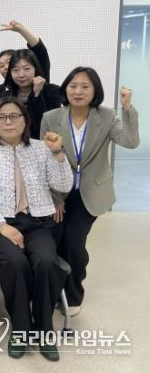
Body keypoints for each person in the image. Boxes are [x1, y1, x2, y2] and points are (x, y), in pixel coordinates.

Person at [0, 97, 73, 362]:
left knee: (47, 261)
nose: (9, 122)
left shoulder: (41, 148)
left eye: (15, 116)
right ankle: (21, 329)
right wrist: (1, 225)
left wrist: (58, 153)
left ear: (25, 121)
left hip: (37, 222)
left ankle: (44, 329)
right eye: (2, 117)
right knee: (15, 263)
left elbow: (63, 186)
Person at [40, 68, 139, 317]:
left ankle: (73, 294)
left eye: (85, 86)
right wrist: (56, 198)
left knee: (74, 242)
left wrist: (127, 108)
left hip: (91, 191)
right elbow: (45, 160)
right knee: (56, 241)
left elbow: (130, 141)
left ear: (95, 91)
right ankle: (55, 291)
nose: (78, 91)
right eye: (73, 85)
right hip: (59, 191)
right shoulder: (51, 117)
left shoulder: (107, 116)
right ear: (65, 89)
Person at [3, 49, 60, 139]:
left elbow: (46, 125)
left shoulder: (52, 91)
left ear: (35, 69)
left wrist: (37, 95)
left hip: (44, 142)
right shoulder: (6, 96)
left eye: (27, 69)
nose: (21, 75)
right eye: (15, 70)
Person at [0, 21, 51, 99]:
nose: (6, 67)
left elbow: (40, 50)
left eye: (8, 62)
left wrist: (21, 30)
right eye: (1, 66)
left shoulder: (41, 82)